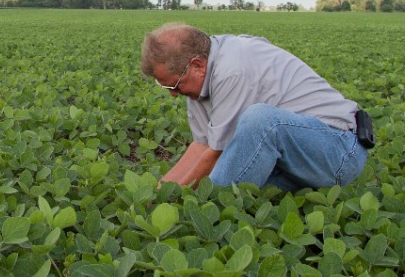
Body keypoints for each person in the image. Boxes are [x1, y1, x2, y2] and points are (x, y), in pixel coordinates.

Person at [140, 22, 371, 191]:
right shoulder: (198, 82)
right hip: (293, 164)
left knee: (261, 120)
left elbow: (216, 154)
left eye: (176, 86)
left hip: (338, 151)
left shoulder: (233, 69)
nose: (173, 95)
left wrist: (182, 204)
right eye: (166, 87)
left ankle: (209, 215)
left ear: (197, 64)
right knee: (250, 193)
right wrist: (159, 196)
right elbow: (201, 147)